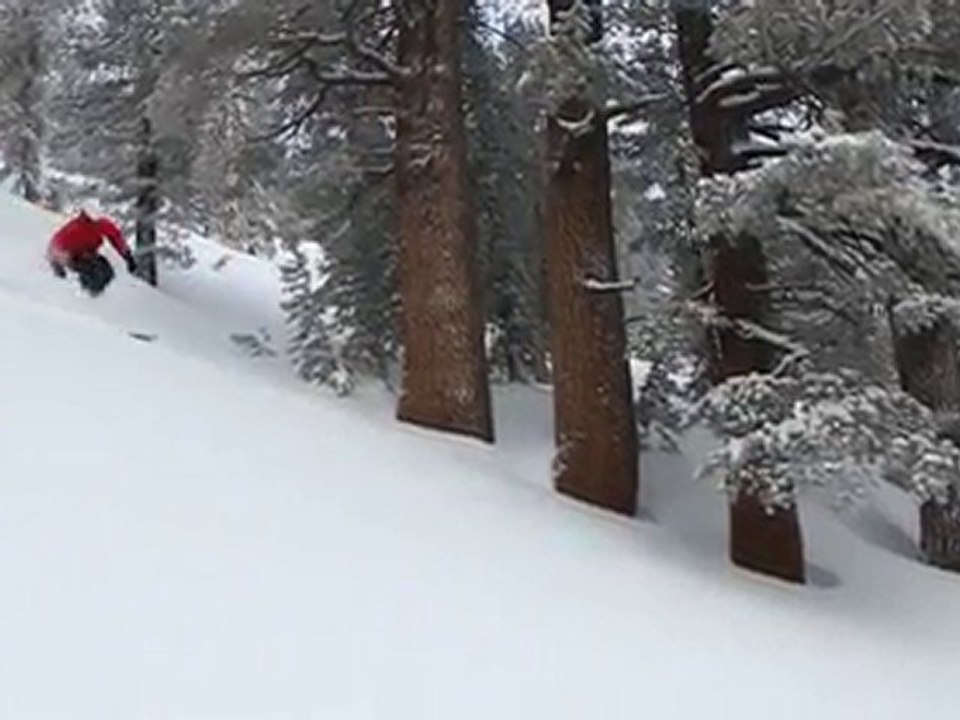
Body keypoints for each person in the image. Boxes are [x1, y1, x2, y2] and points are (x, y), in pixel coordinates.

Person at [47, 208, 138, 296]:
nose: (94, 224)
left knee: (107, 271)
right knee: (92, 272)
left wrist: (127, 255)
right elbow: (54, 248)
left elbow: (115, 237)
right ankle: (85, 295)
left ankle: (97, 296)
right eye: (90, 221)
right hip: (73, 257)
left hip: (86, 254)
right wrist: (58, 269)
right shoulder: (73, 230)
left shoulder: (102, 224)